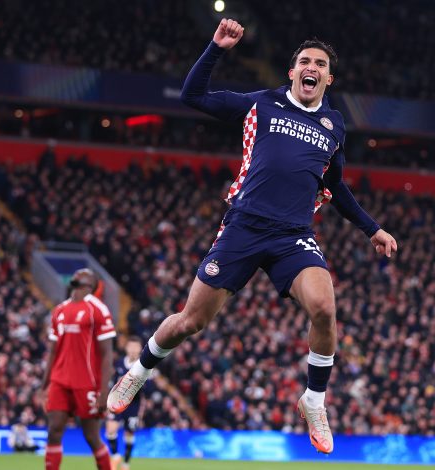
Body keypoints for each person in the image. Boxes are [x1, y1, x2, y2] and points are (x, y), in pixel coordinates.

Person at [108, 18, 398, 455]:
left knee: (324, 307)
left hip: (292, 235)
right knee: (190, 322)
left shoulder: (334, 125)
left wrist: (372, 228)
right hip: (243, 226)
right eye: (305, 61)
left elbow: (335, 186)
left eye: (320, 64)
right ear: (292, 71)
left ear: (328, 79)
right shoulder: (261, 104)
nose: (312, 67)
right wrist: (216, 48)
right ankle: (139, 371)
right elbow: (193, 96)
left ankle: (314, 400)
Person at [42, 269, 116, 470]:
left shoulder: (98, 309)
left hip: (86, 382)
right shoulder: (59, 310)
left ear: (91, 284)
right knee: (54, 430)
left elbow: (107, 353)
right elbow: (52, 351)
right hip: (60, 380)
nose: (79, 274)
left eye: (85, 273)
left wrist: (104, 390)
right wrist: (44, 385)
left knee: (91, 436)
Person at [105, 338, 146, 470]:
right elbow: (113, 382)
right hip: (118, 402)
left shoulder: (143, 365)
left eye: (136, 347)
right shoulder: (119, 363)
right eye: (131, 346)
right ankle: (115, 455)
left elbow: (147, 389)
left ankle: (126, 463)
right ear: (126, 348)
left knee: (129, 434)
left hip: (133, 405)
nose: (133, 349)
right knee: (110, 429)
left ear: (140, 349)